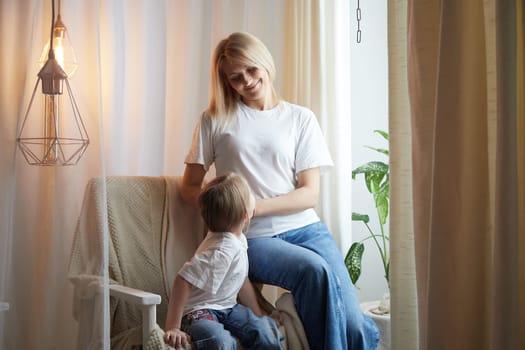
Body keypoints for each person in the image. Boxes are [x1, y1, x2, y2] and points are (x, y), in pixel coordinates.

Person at [180, 31, 380, 349]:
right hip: (253, 237)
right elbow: (189, 188)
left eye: (251, 69)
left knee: (357, 327)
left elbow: (309, 193)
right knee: (314, 271)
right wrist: (227, 211)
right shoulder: (214, 120)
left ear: (264, 63)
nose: (246, 80)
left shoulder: (301, 118)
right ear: (227, 82)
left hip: (308, 230)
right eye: (235, 77)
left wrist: (254, 205)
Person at [164, 172, 283, 350]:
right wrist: (172, 327)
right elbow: (182, 280)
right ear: (246, 215)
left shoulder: (237, 238)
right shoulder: (221, 249)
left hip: (228, 307)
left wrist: (258, 315)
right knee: (220, 342)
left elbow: (240, 281)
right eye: (250, 195)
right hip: (199, 312)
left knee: (265, 331)